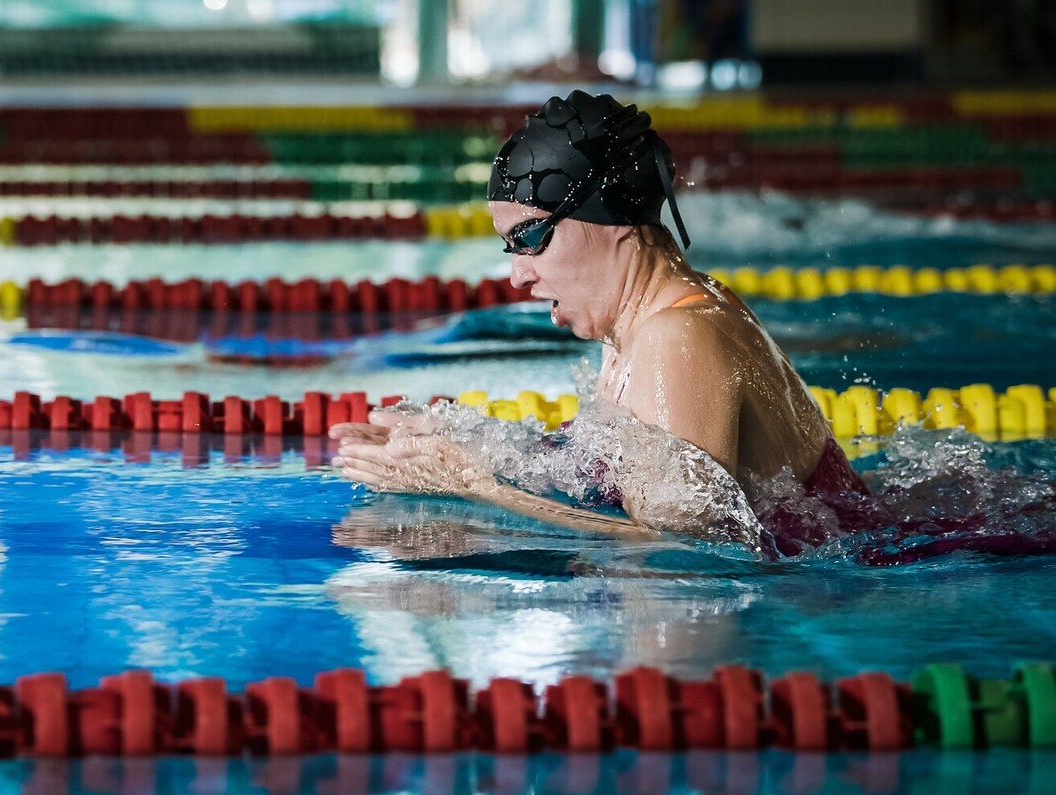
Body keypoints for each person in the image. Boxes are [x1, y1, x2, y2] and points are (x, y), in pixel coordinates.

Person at [330, 90, 866, 555]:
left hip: (834, 598)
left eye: (532, 237)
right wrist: (458, 441)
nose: (517, 275)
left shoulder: (678, 336)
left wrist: (471, 483)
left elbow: (687, 553)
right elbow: (617, 475)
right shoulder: (647, 318)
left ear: (611, 218)